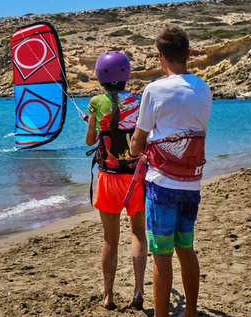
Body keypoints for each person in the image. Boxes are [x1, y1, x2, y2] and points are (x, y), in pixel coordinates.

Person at [126, 26, 213, 317]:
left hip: (162, 186)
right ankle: (190, 313)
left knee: (162, 255)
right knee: (185, 248)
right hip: (192, 185)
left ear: (160, 56)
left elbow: (138, 141)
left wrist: (131, 152)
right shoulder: (204, 89)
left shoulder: (154, 90)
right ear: (189, 54)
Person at [85, 51, 148, 310]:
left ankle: (108, 296)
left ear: (100, 77)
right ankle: (138, 291)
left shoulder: (95, 102)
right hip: (134, 179)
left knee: (110, 239)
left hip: (108, 179)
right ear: (127, 75)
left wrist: (95, 125)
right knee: (139, 233)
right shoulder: (139, 100)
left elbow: (90, 141)